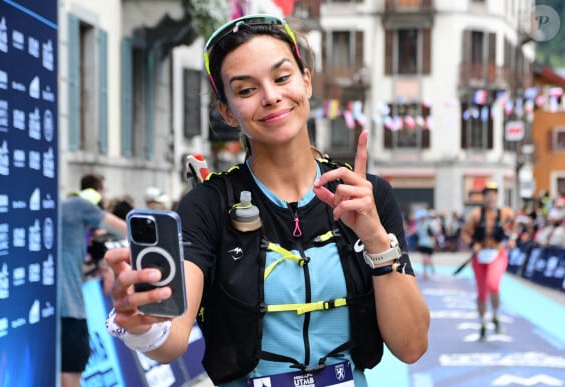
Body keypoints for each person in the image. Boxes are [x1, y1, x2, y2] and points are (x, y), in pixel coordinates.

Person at [105, 14, 429, 386]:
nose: (271, 96)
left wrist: (375, 239)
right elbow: (174, 338)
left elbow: (412, 346)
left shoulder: (367, 195)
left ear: (306, 81)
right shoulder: (208, 205)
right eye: (246, 90)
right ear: (227, 110)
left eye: (282, 77)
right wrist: (143, 325)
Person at [60, 173, 127, 387]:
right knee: (70, 379)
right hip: (69, 311)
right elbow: (125, 230)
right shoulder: (78, 206)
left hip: (38, 316)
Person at [460, 181, 517, 341]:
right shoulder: (476, 215)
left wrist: (512, 240)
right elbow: (464, 234)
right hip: (480, 257)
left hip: (497, 254)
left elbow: (514, 229)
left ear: (497, 196)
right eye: (488, 195)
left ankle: (496, 316)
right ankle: (483, 323)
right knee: (481, 293)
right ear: (484, 197)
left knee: (493, 285)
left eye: (494, 194)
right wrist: (473, 244)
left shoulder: (506, 213)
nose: (491, 198)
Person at [415, 209, 436, 280]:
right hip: (423, 244)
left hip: (428, 244)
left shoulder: (427, 225)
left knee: (427, 258)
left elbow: (432, 234)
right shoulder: (421, 225)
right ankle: (426, 272)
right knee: (425, 258)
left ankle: (428, 271)